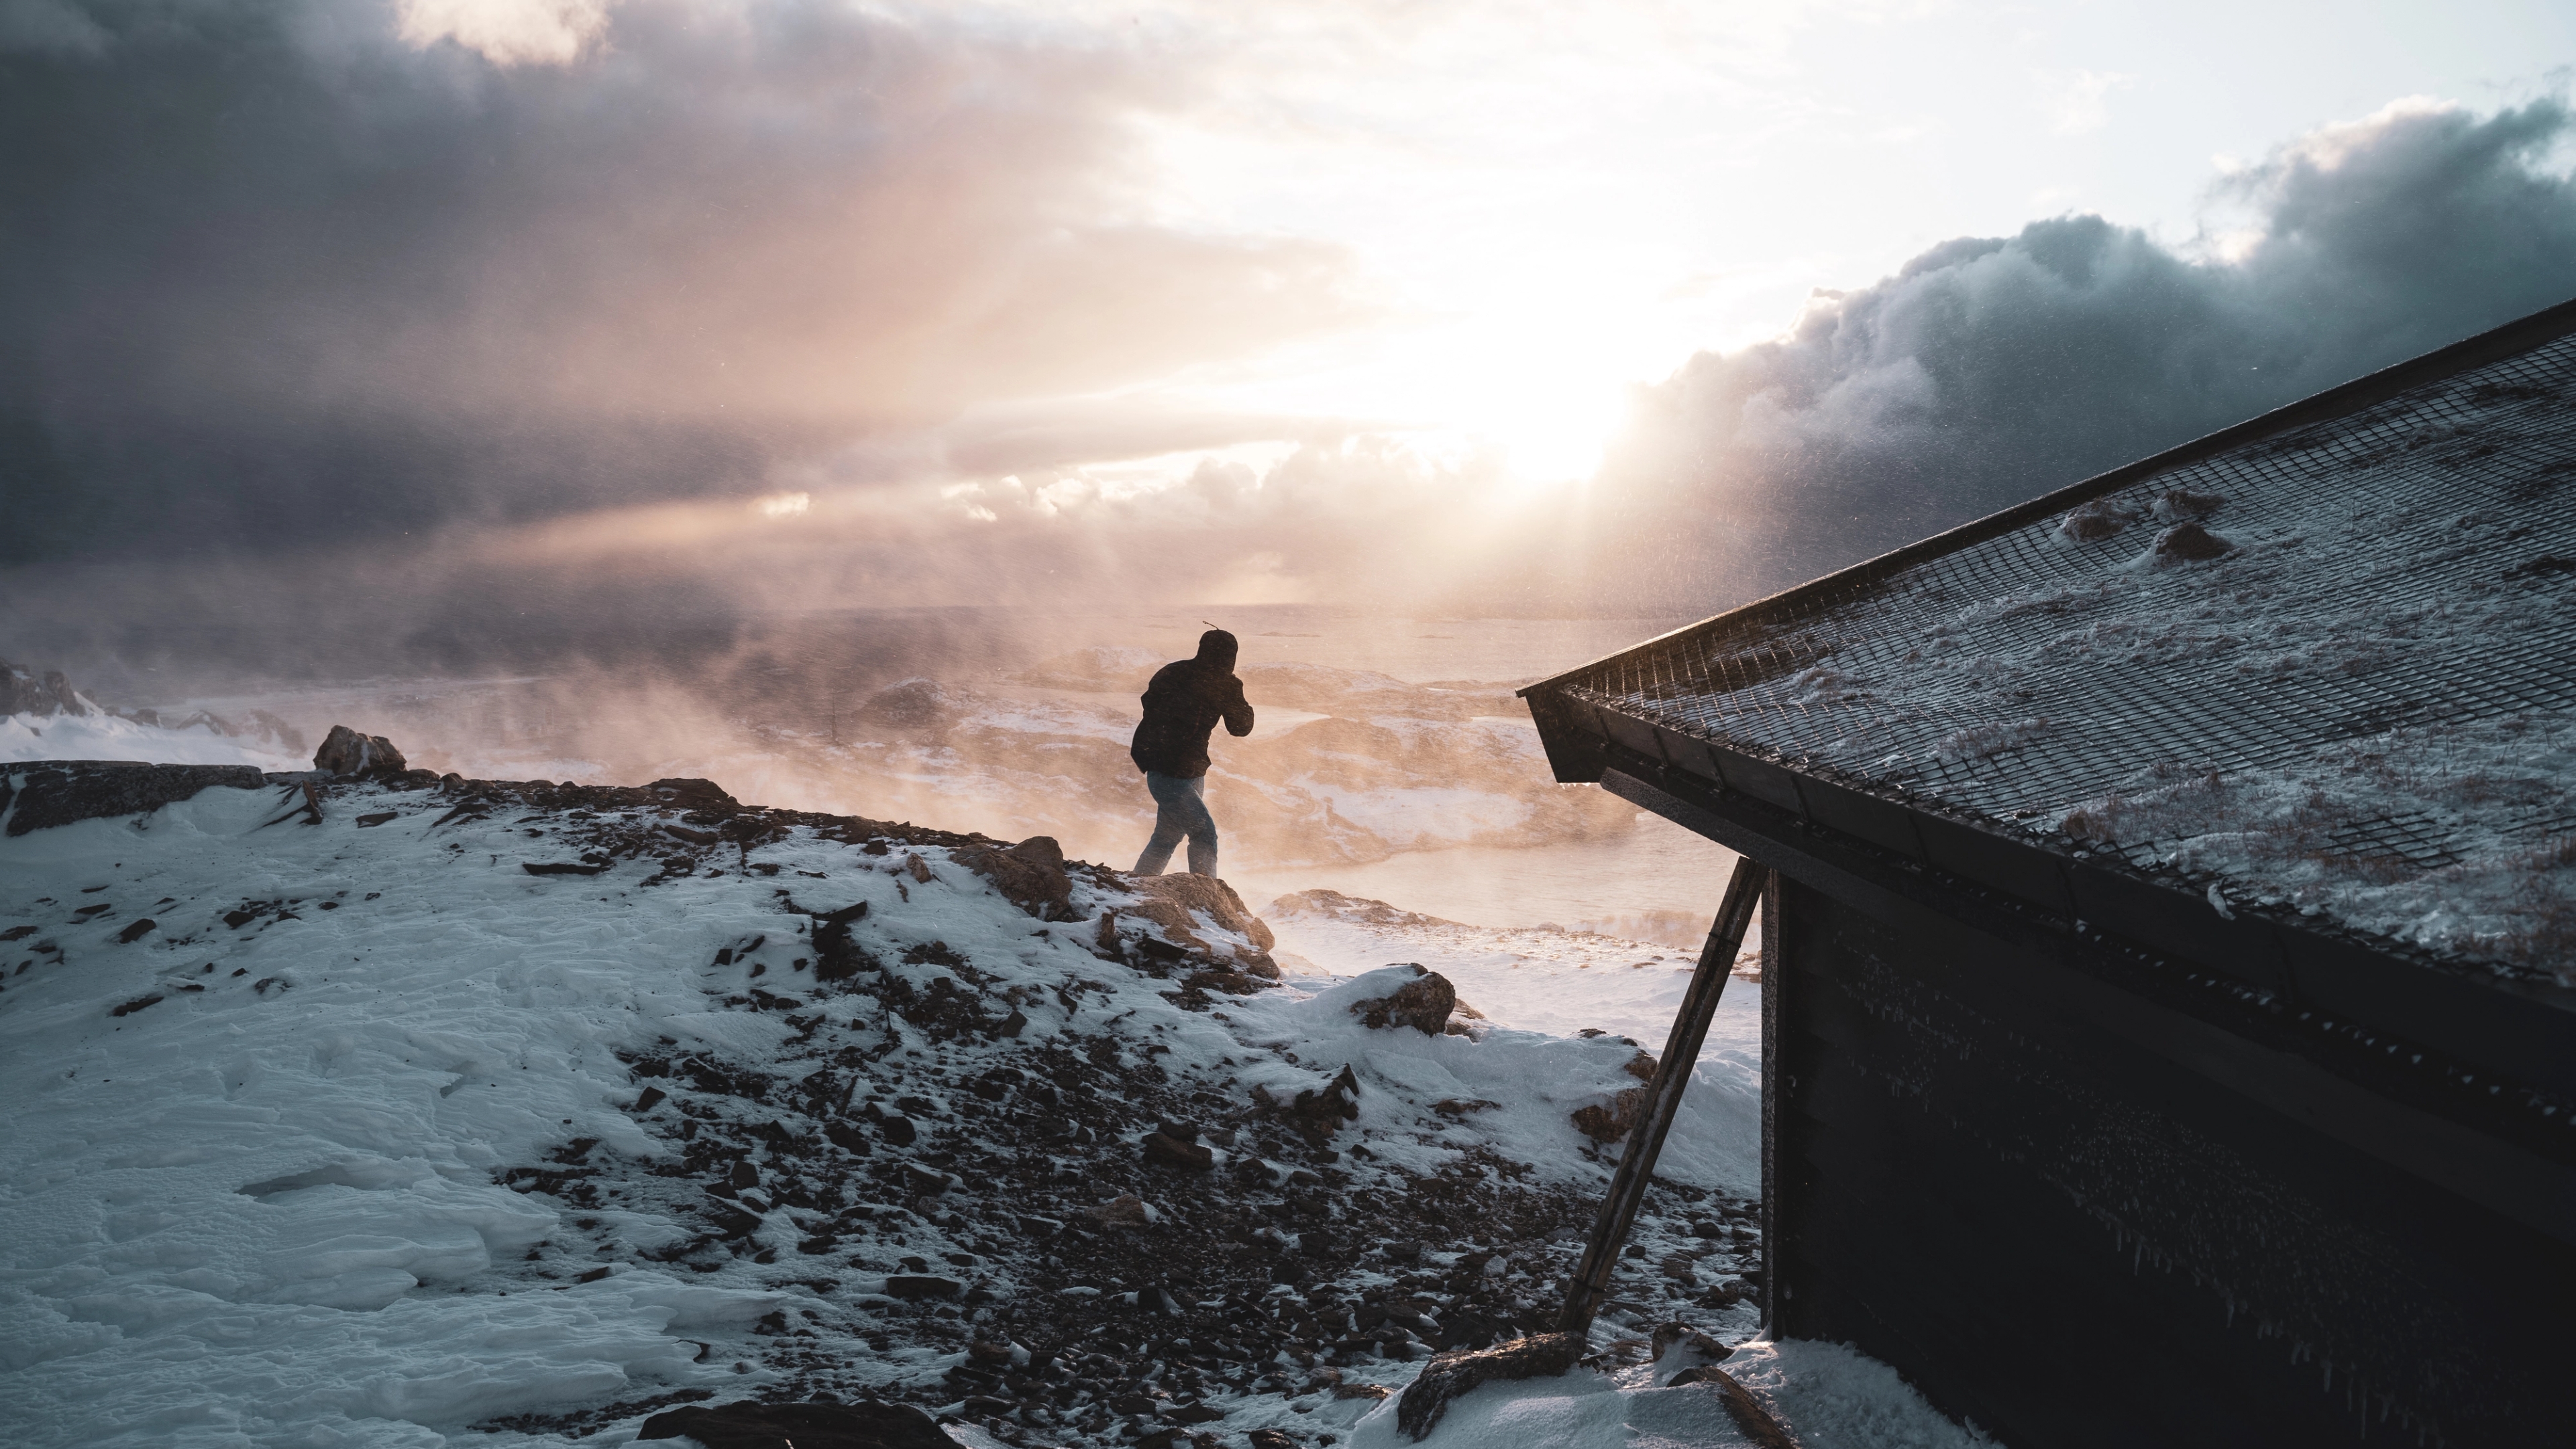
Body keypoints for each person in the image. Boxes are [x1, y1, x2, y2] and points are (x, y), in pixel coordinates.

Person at [1128, 628, 1253, 876]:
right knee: (1204, 834)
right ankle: (1206, 893)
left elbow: (1149, 704)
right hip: (1171, 773)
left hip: (1181, 770)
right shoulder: (1223, 684)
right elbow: (1241, 727)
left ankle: (1141, 884)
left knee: (1166, 837)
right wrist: (1234, 695)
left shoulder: (1173, 672)